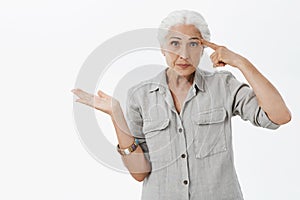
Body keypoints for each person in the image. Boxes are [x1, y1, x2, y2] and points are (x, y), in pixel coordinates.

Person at [71, 10, 291, 200]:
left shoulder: (224, 86)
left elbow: (279, 116)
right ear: (162, 48)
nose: (184, 55)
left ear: (203, 48)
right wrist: (115, 115)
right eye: (175, 43)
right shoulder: (140, 96)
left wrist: (241, 63)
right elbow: (140, 173)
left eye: (193, 44)